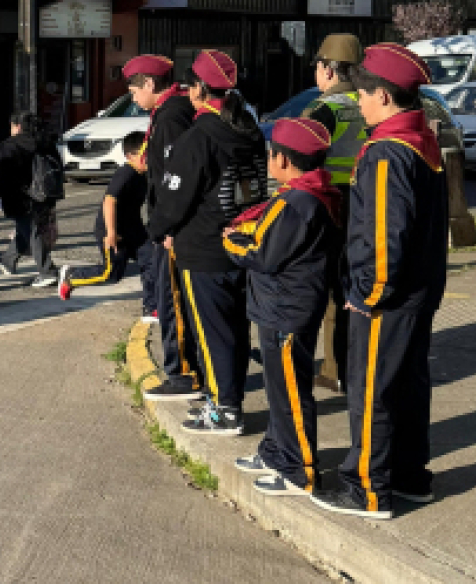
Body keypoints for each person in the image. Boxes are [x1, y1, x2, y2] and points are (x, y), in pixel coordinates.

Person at [311, 44, 448, 520]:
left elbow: (387, 236)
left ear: (384, 97)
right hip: (418, 291)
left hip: (387, 297)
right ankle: (409, 476)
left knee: (373, 392)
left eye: (364, 95)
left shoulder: (387, 151)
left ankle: (366, 488)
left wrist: (367, 293)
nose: (360, 104)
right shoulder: (421, 141)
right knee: (407, 386)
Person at [145, 49, 268, 436]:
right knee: (235, 330)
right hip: (242, 242)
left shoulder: (200, 136)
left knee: (212, 333)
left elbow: (174, 198)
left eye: (190, 86)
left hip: (203, 248)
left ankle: (224, 409)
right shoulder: (247, 129)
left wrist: (158, 230)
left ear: (198, 88)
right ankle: (230, 399)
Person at [223, 118, 342, 497]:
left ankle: (298, 468)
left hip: (285, 308)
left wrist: (231, 240)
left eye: (270, 154)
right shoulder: (313, 194)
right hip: (287, 305)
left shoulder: (294, 203)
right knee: (279, 389)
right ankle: (275, 450)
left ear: (283, 160)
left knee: (290, 392)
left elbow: (261, 254)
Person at [123, 54, 204, 402]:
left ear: (149, 84)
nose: (133, 98)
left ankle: (183, 374)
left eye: (134, 90)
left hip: (172, 227)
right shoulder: (170, 111)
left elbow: (176, 177)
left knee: (172, 303)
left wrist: (167, 226)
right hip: (171, 222)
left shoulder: (171, 116)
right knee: (172, 300)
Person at [302, 34, 366, 395]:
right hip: (364, 203)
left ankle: (332, 369)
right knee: (351, 286)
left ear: (327, 69)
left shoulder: (325, 109)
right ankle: (348, 366)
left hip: (328, 204)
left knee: (321, 290)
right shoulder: (370, 101)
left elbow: (301, 159)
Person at [58, 131, 151, 296]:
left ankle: (152, 304)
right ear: (130, 156)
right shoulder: (126, 173)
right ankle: (72, 277)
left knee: (152, 259)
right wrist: (111, 233)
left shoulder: (143, 174)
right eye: (146, 154)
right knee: (111, 274)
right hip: (113, 231)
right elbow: (109, 201)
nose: (150, 158)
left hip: (134, 231)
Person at [0, 112, 63, 288]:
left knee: (32, 232)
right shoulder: (46, 142)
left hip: (20, 198)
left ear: (18, 126)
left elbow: (1, 175)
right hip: (44, 195)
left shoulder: (11, 145)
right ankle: (7, 260)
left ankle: (47, 272)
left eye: (12, 126)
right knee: (26, 230)